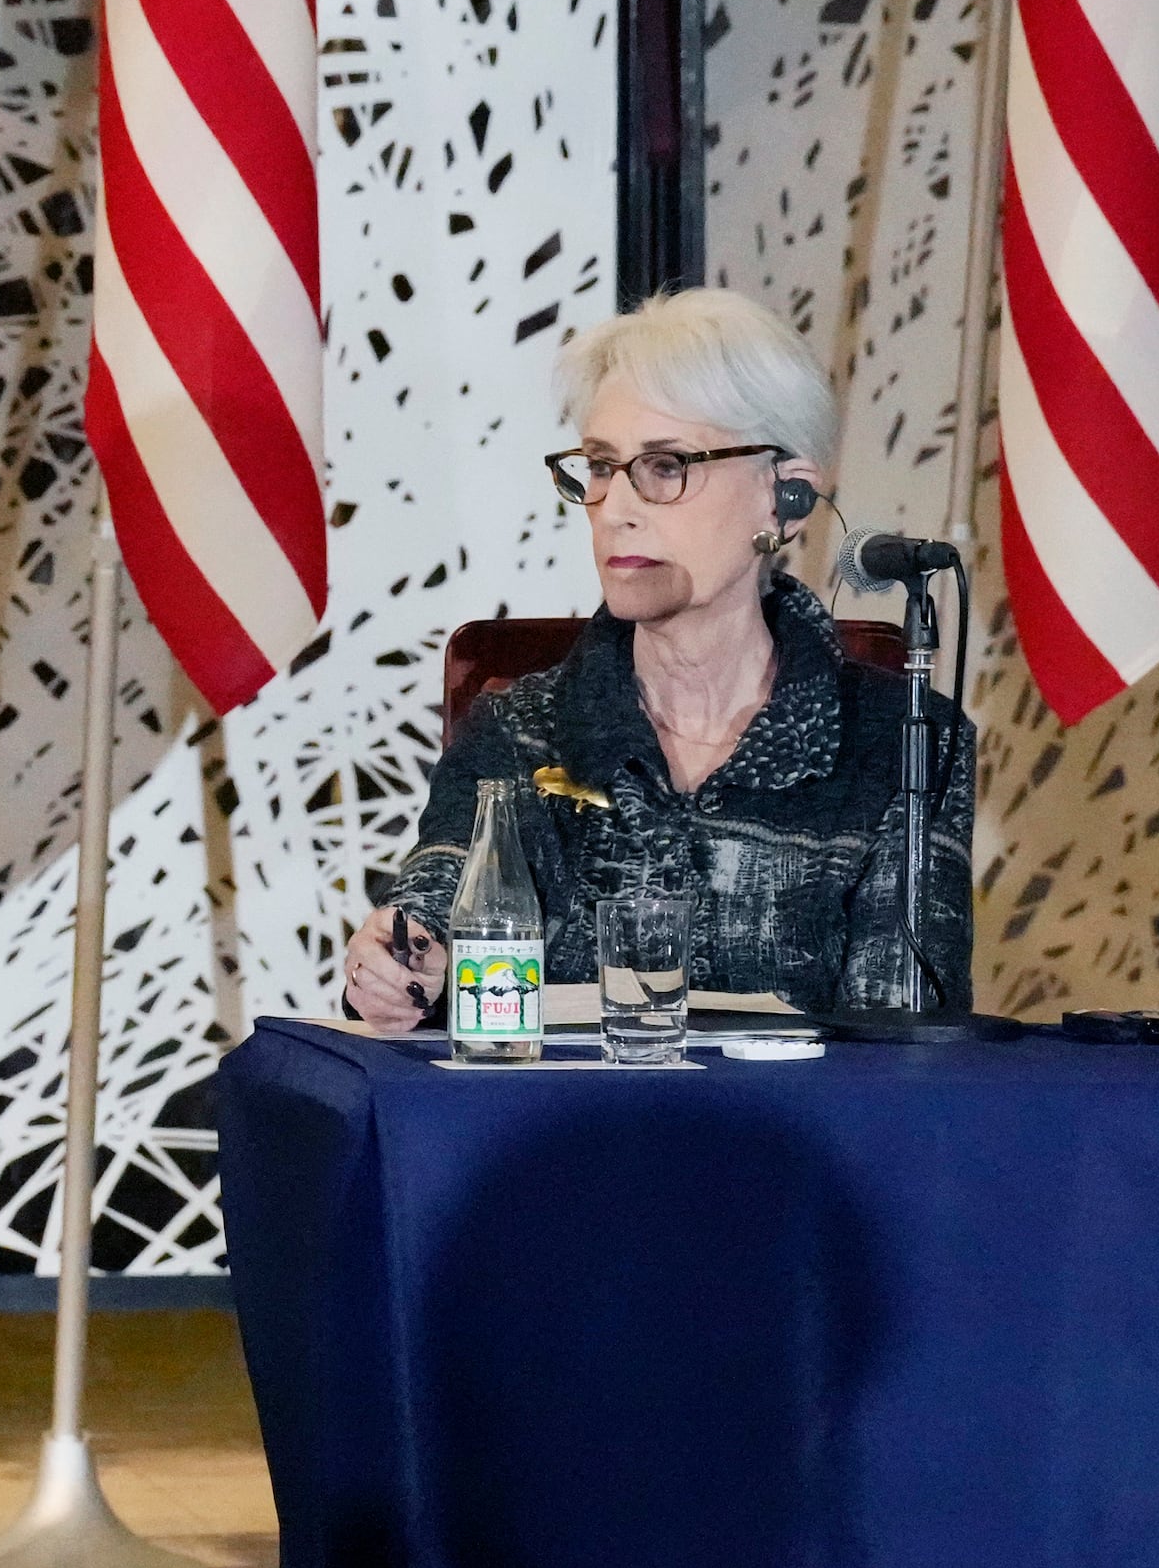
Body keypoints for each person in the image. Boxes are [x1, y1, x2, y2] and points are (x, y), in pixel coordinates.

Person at [341, 285, 971, 1029]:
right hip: (549, 1138)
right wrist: (404, 954)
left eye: (666, 466)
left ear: (786, 499)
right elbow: (443, 882)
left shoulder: (901, 741)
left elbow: (901, 1048)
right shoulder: (519, 728)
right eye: (603, 466)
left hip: (794, 1141)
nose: (615, 507)